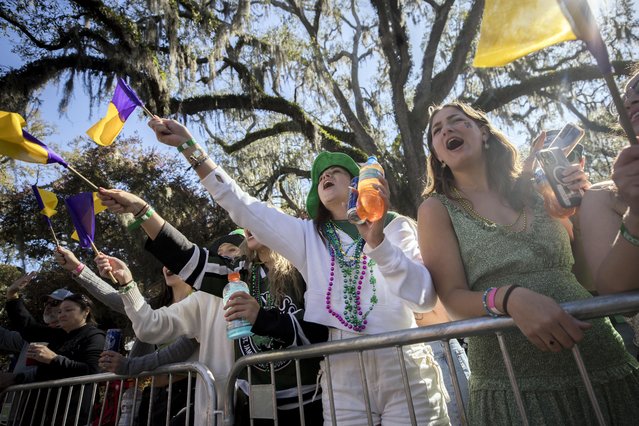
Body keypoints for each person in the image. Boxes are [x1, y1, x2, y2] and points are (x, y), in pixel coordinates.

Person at [136, 117, 450, 425]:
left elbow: (423, 298)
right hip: (342, 376)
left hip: (403, 366)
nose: (326, 175)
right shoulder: (307, 236)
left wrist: (378, 242)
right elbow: (241, 203)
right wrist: (189, 148)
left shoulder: (395, 226)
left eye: (336, 171)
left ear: (356, 183)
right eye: (321, 175)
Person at [417, 100, 639, 425]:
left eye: (457, 121)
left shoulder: (538, 192)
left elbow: (583, 275)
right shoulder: (436, 209)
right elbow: (452, 299)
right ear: (437, 155)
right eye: (437, 130)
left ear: (484, 133)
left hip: (600, 360)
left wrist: (578, 212)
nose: (446, 129)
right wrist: (509, 298)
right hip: (512, 384)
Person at [94, 185, 327, 425]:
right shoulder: (238, 274)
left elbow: (319, 330)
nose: (250, 224)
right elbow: (187, 255)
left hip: (309, 395)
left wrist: (262, 319)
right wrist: (141, 209)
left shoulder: (305, 267)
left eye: (258, 216)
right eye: (246, 220)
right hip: (258, 398)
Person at [54, 247, 199, 425]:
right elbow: (115, 298)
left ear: (194, 267)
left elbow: (182, 349)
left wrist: (130, 365)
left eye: (178, 260)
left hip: (189, 394)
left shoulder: (202, 303)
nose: (169, 265)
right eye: (166, 261)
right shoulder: (156, 306)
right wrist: (77, 268)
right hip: (154, 396)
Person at [5, 278, 105, 425]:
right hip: (39, 412)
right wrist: (12, 295)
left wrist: (53, 359)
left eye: (68, 310)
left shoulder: (95, 336)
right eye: (60, 311)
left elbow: (92, 370)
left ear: (86, 312)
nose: (62, 314)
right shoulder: (56, 334)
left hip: (71, 413)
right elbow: (27, 325)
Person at [580, 66, 639, 295]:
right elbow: (614, 289)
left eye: (637, 87)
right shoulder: (603, 197)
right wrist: (636, 216)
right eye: (623, 98)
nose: (628, 102)